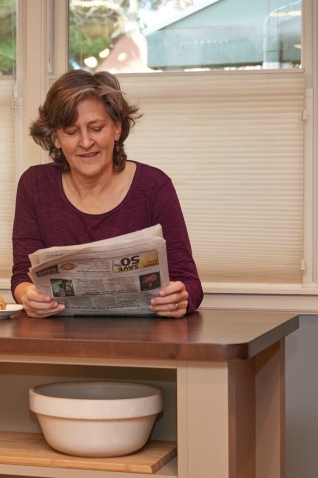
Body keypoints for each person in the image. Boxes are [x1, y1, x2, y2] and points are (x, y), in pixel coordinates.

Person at [11, 70, 202, 318]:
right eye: (71, 132)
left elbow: (189, 282)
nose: (86, 142)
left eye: (96, 128)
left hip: (144, 343)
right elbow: (21, 277)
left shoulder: (154, 186)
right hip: (58, 341)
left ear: (117, 128)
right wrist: (29, 296)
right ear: (56, 138)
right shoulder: (34, 185)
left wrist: (179, 299)